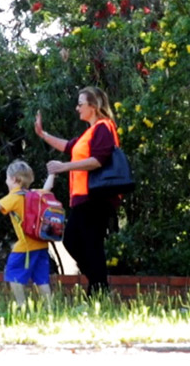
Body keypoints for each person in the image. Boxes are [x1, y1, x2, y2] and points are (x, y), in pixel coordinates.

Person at [35, 86, 119, 295]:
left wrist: (64, 167)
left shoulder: (103, 127)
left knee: (82, 243)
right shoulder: (90, 132)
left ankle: (99, 289)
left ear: (94, 106)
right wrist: (43, 134)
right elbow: (69, 147)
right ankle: (98, 288)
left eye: (81, 104)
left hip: (96, 198)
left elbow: (98, 160)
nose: (77, 108)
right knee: (80, 242)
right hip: (84, 198)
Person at [0, 160, 55, 307]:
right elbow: (47, 188)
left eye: (7, 178)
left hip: (25, 246)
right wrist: (52, 173)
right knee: (42, 279)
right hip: (42, 245)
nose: (6, 181)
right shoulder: (34, 194)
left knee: (13, 273)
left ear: (14, 180)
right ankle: (50, 309)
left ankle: (21, 306)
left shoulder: (13, 197)